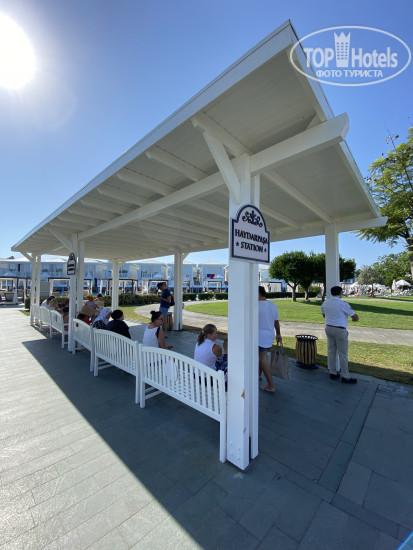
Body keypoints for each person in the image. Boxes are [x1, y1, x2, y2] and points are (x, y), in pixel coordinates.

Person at [321, 285, 359, 384]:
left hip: (328, 328)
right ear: (340, 293)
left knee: (331, 351)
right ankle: (345, 376)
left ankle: (333, 372)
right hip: (340, 330)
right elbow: (355, 317)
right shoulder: (343, 304)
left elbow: (324, 315)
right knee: (343, 354)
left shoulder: (325, 303)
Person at [258, 285, 282, 393]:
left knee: (263, 358)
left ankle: (270, 386)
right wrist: (278, 334)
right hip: (269, 335)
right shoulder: (273, 305)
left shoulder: (255, 305)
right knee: (261, 355)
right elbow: (276, 323)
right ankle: (258, 374)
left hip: (259, 336)